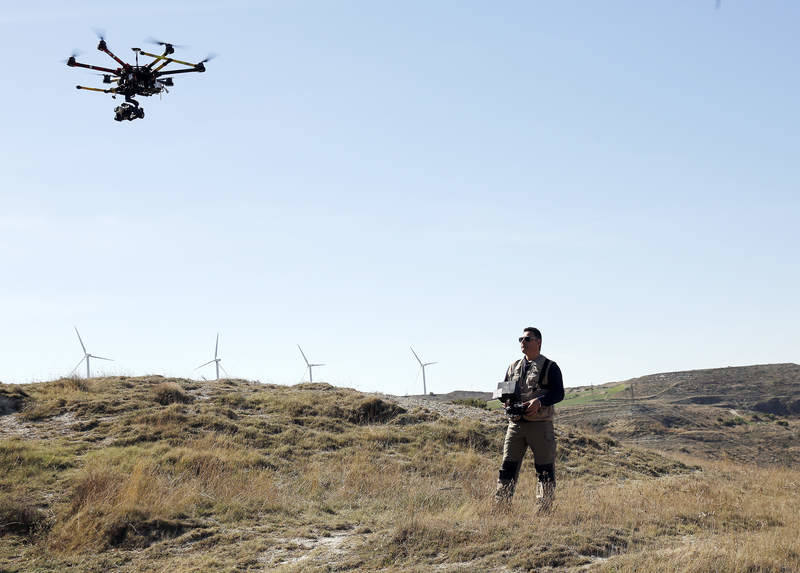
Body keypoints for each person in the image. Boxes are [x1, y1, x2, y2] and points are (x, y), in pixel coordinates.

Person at [494, 327, 564, 512]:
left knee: (544, 469)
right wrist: (506, 402)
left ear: (538, 342)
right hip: (515, 425)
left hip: (540, 426)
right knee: (507, 466)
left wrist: (539, 402)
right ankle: (501, 506)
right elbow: (503, 392)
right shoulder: (513, 367)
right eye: (520, 339)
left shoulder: (550, 366)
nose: (522, 343)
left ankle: (544, 509)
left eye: (527, 339)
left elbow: (559, 393)